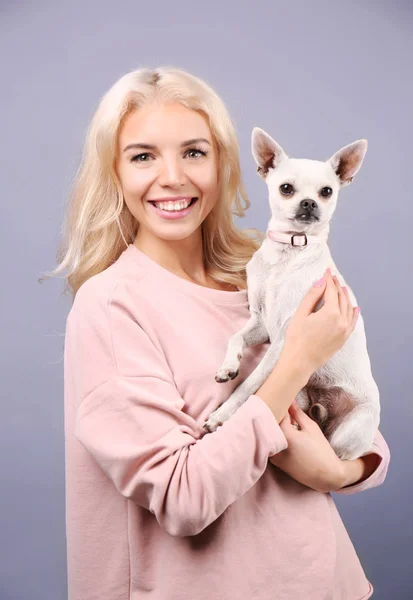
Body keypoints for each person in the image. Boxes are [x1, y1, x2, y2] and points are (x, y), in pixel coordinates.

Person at [47, 66, 390, 599]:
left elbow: (355, 416)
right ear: (113, 171)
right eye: (143, 156)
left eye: (193, 152)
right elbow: (184, 499)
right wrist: (296, 358)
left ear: (224, 164)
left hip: (325, 581)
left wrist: (343, 471)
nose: (173, 177)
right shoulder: (111, 307)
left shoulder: (261, 269)